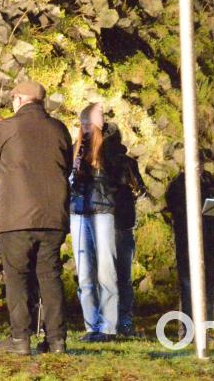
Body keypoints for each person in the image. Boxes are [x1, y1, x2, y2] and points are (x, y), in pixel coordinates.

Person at [0, 80, 72, 355]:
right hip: (53, 216)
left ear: (18, 99)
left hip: (18, 217)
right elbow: (68, 166)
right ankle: (56, 341)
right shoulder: (59, 129)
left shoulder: (8, 128)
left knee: (17, 278)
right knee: (50, 277)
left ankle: (20, 339)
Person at [84, 105, 146, 337]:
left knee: (103, 274)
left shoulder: (97, 160)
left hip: (103, 219)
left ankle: (105, 320)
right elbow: (139, 190)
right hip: (123, 221)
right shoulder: (128, 162)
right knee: (123, 276)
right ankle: (125, 321)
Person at [164, 161, 214, 336]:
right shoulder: (178, 184)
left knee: (209, 284)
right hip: (187, 239)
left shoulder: (210, 182)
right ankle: (187, 329)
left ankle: (207, 327)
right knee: (188, 283)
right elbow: (174, 206)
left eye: (200, 164)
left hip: (209, 238)